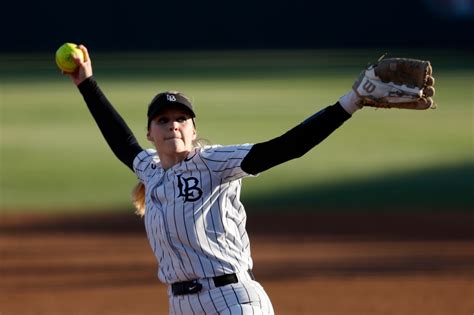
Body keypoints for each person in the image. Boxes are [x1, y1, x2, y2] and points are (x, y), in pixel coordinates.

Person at [64, 45, 362, 315]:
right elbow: (120, 141)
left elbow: (287, 147)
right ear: (150, 134)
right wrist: (86, 84)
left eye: (182, 119)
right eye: (163, 120)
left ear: (194, 130)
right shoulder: (150, 170)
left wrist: (350, 103)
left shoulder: (214, 163)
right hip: (181, 306)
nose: (173, 126)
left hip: (234, 299)